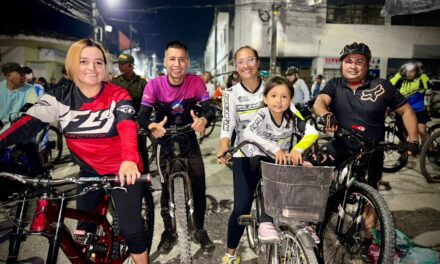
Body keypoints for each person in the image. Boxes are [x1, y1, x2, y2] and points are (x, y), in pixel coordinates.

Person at [0, 39, 150, 264]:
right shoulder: (59, 95)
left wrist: (129, 159)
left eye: (98, 62)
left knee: (132, 230)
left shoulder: (118, 94)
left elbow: (127, 126)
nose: (92, 68)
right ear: (71, 65)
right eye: (84, 61)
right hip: (88, 170)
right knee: (82, 235)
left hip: (122, 170)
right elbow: (28, 123)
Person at [137, 40, 215, 253]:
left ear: (188, 62)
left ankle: (199, 229)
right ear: (165, 61)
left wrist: (204, 120)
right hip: (164, 140)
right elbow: (142, 116)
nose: (177, 64)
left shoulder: (196, 82)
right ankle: (169, 232)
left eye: (181, 59)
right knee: (164, 187)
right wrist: (151, 125)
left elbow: (210, 109)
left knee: (199, 184)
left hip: (189, 138)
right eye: (172, 59)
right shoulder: (154, 85)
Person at [313, 42, 419, 191]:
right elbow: (320, 102)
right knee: (309, 166)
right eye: (348, 61)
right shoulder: (334, 84)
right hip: (341, 146)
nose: (353, 66)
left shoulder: (382, 86)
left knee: (370, 202)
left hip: (372, 151)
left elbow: (407, 111)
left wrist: (413, 138)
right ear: (342, 64)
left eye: (359, 62)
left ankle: (370, 211)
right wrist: (326, 114)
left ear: (367, 65)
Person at [215, 46, 267, 264]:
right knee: (241, 208)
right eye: (241, 62)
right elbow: (227, 123)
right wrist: (224, 145)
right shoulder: (231, 94)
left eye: (250, 60)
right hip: (243, 154)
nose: (246, 65)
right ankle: (230, 254)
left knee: (277, 206)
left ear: (258, 63)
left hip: (271, 154)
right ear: (236, 67)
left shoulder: (272, 87)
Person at [112, 53, 149, 172]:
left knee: (141, 150)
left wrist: (142, 120)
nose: (120, 67)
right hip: (119, 123)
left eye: (123, 64)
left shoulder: (141, 83)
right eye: (119, 64)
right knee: (118, 151)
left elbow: (147, 103)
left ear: (132, 66)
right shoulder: (114, 82)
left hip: (137, 122)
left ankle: (145, 179)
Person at [390, 62, 431, 143]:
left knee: (421, 130)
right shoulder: (401, 82)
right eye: (407, 71)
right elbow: (390, 84)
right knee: (404, 134)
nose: (409, 73)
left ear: (417, 72)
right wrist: (399, 74)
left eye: (412, 71)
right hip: (403, 111)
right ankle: (411, 152)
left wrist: (422, 73)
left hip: (418, 110)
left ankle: (431, 151)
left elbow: (428, 86)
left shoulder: (421, 79)